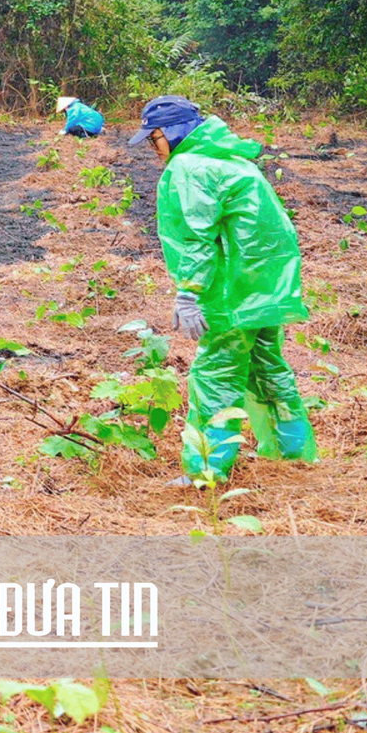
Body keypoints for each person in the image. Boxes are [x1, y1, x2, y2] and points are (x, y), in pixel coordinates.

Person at [134, 96, 316, 484]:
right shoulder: (228, 157)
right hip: (265, 287)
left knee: (215, 375)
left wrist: (189, 291)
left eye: (155, 139)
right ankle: (293, 453)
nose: (155, 149)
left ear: (172, 132)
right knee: (267, 368)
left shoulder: (189, 166)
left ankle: (205, 471)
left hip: (233, 291)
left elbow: (196, 235)